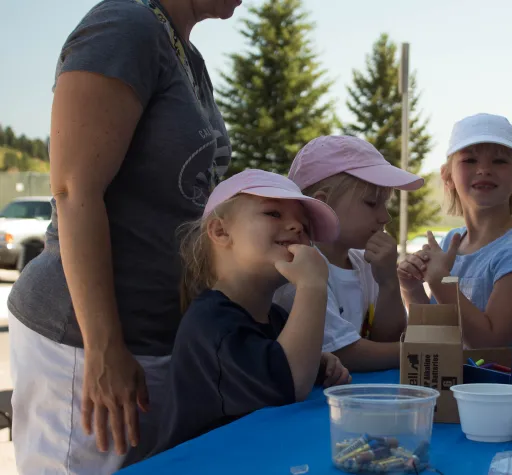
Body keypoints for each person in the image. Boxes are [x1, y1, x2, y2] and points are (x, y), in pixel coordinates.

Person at [6, 0, 240, 472]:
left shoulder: (186, 57)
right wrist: (104, 347)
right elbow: (74, 191)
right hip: (81, 342)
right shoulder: (125, 26)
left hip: (152, 341)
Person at [124, 170, 351, 464]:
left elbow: (283, 366)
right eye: (273, 213)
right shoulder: (211, 324)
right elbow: (288, 385)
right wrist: (312, 285)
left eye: (306, 227)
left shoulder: (277, 318)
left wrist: (316, 362)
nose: (296, 227)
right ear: (220, 231)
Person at [273, 135, 424, 371]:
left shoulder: (363, 262)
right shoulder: (299, 266)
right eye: (372, 203)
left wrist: (388, 283)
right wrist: (428, 350)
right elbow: (346, 353)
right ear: (323, 203)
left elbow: (385, 341)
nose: (385, 217)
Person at [398, 113, 512, 348]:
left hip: (503, 385)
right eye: (469, 160)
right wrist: (411, 288)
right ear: (447, 176)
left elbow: (492, 343)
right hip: (452, 382)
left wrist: (441, 281)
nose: (484, 169)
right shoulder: (450, 243)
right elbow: (436, 333)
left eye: (499, 161)